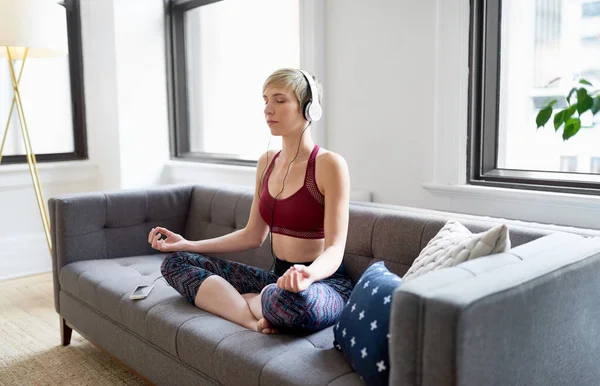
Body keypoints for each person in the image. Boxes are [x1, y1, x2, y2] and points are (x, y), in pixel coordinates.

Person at [147, 68, 352, 334]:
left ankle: (252, 301)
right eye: (265, 100)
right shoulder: (267, 162)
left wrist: (308, 275)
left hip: (322, 284)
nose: (268, 109)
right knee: (175, 262)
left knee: (292, 304)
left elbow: (335, 249)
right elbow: (253, 235)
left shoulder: (329, 164)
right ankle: (250, 319)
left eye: (279, 100)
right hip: (276, 278)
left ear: (309, 109)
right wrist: (189, 244)